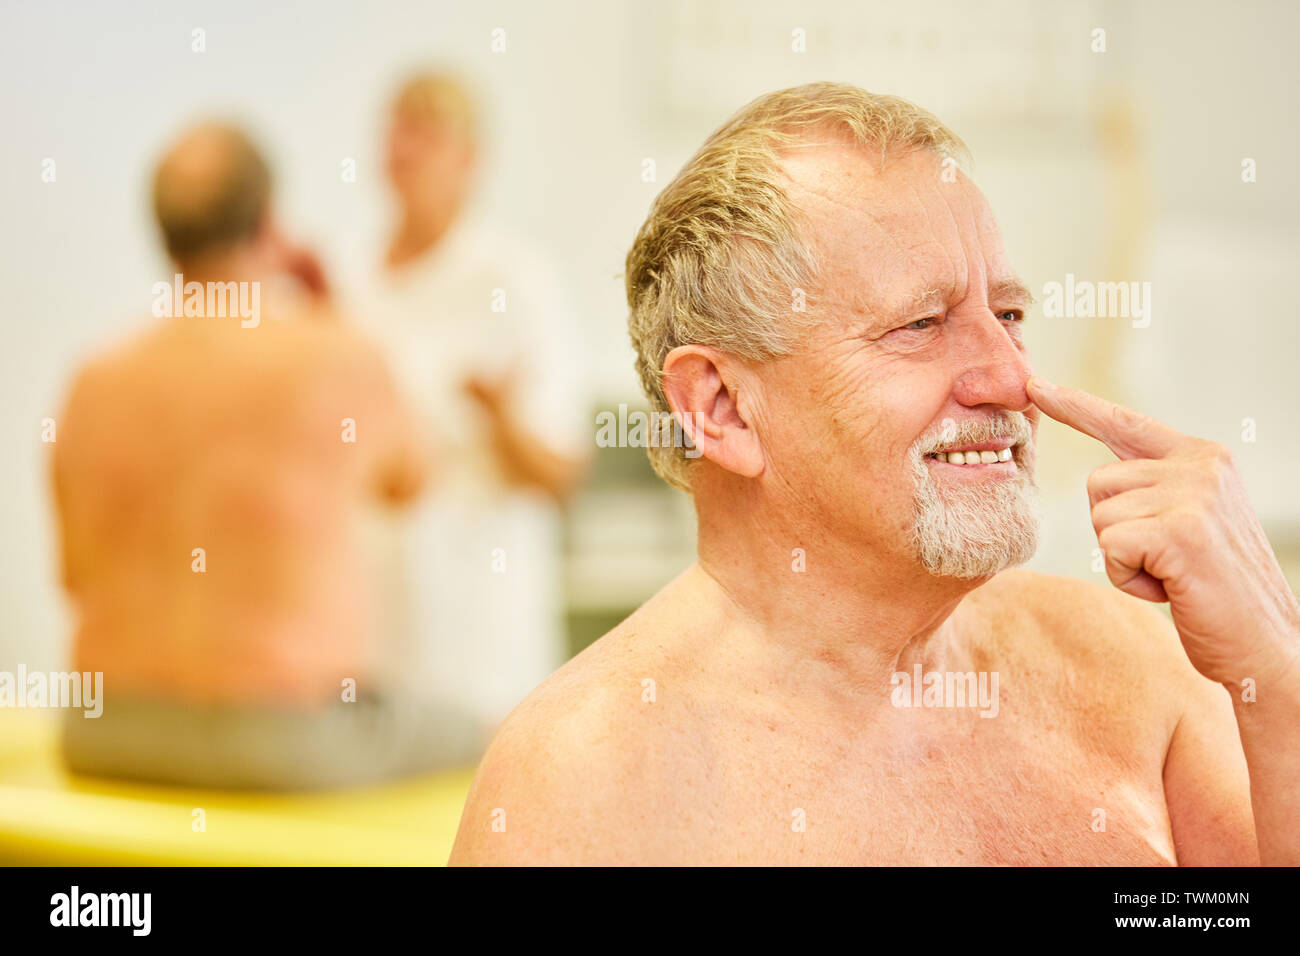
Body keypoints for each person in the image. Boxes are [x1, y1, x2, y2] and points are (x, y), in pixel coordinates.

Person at [449, 82, 1300, 865]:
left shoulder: (1139, 670)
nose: (1011, 379)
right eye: (921, 324)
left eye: (1008, 315)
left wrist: (1280, 670)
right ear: (721, 407)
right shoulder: (578, 793)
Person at [52, 122, 457, 790]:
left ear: (163, 233)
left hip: (103, 734)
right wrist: (333, 312)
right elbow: (412, 479)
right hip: (280, 742)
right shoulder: (335, 354)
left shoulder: (92, 381)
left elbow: (72, 575)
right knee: (486, 737)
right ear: (270, 224)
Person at [357, 72, 589, 750]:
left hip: (480, 635)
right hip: (371, 633)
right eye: (397, 130)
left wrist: (493, 414)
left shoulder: (514, 282)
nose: (406, 149)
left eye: (428, 132)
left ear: (470, 158)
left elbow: (559, 476)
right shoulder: (351, 279)